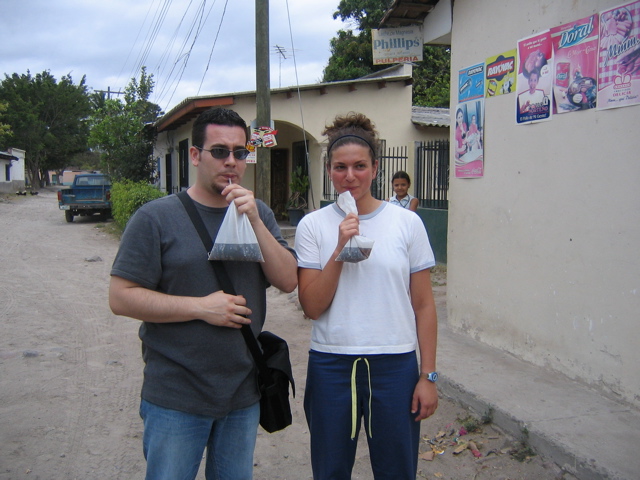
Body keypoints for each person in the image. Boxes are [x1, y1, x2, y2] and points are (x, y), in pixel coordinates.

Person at [109, 107, 298, 480]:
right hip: (177, 396)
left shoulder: (258, 213)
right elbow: (121, 297)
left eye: (240, 152)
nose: (231, 162)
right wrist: (200, 308)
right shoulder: (155, 218)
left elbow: (289, 280)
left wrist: (257, 220)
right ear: (195, 155)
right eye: (219, 151)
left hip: (243, 394)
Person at [294, 112, 438, 480]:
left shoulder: (406, 223)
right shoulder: (313, 225)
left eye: (360, 166)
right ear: (328, 170)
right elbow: (311, 306)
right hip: (331, 363)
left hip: (395, 365)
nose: (350, 176)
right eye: (340, 167)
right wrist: (342, 244)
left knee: (396, 470)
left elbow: (423, 305)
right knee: (330, 469)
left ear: (375, 169)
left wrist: (428, 376)